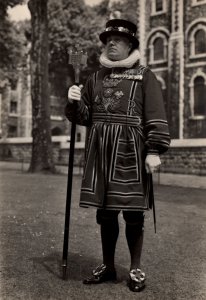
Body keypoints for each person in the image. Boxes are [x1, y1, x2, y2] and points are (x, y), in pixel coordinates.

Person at [65, 18, 170, 292]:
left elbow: (156, 114)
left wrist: (155, 149)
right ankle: (108, 266)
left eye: (118, 39)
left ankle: (135, 269)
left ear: (130, 45)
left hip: (131, 153)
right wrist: (74, 100)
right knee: (106, 213)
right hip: (100, 153)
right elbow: (83, 117)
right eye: (108, 39)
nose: (111, 43)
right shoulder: (95, 78)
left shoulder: (145, 75)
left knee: (133, 213)